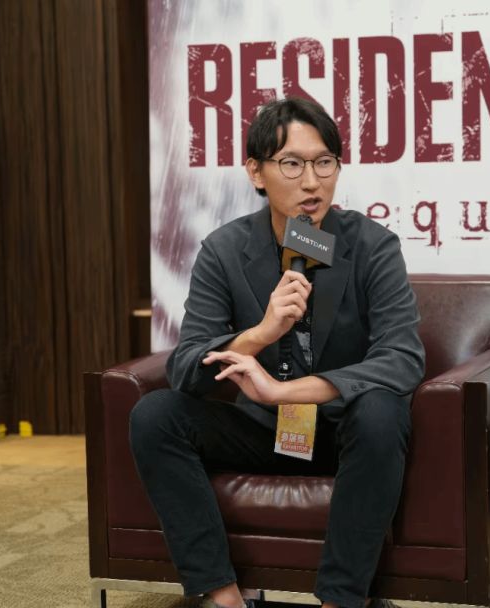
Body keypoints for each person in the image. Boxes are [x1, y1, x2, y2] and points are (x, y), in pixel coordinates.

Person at [129, 97, 425, 608]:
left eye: (324, 162)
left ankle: (340, 599)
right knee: (155, 415)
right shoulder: (224, 250)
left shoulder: (372, 246)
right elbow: (186, 368)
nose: (312, 182)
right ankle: (223, 595)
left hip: (342, 432)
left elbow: (402, 358)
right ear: (255, 171)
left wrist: (284, 391)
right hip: (263, 431)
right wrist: (261, 334)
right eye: (291, 163)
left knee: (382, 410)